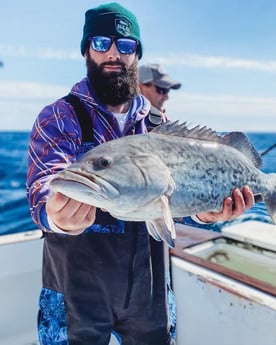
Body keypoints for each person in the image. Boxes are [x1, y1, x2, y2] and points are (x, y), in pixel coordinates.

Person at [26, 3, 255, 345]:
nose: (115, 53)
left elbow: (177, 201)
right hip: (76, 305)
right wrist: (56, 214)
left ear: (137, 54)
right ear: (87, 50)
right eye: (102, 43)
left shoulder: (159, 126)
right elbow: (45, 187)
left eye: (126, 45)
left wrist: (207, 215)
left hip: (150, 304)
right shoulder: (58, 118)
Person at [138, 63, 181, 129]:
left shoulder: (165, 122)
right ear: (139, 88)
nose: (166, 97)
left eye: (167, 90)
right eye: (161, 90)